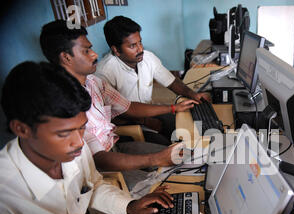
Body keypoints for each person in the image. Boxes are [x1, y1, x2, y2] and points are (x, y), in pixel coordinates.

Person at [0, 61, 175, 214]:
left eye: (81, 128)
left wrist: (129, 206)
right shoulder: (5, 192)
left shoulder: (72, 149)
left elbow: (93, 186)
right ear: (22, 129)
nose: (79, 142)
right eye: (64, 133)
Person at [39, 20, 196, 190]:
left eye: (91, 48)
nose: (94, 55)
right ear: (66, 57)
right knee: (172, 186)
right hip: (100, 170)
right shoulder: (62, 102)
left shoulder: (93, 82)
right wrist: (155, 158)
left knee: (184, 161)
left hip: (116, 146)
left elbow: (129, 107)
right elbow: (98, 159)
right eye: (86, 51)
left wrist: (173, 108)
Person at [96, 15, 211, 140]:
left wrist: (192, 94)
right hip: (125, 126)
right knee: (169, 146)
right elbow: (117, 113)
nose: (140, 49)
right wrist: (147, 121)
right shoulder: (104, 73)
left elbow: (172, 82)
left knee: (188, 126)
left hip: (148, 114)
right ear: (116, 50)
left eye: (140, 42)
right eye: (132, 46)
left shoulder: (148, 58)